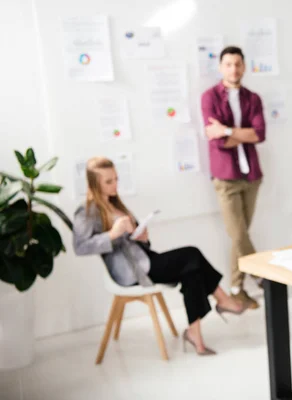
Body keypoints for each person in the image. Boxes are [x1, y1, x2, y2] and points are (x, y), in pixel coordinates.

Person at [73, 157, 246, 356]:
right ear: (94, 184)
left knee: (192, 272)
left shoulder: (116, 204)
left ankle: (194, 335)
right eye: (109, 181)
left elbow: (139, 244)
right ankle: (223, 301)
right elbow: (81, 247)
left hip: (146, 260)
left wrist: (142, 237)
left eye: (116, 179)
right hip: (133, 272)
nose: (115, 185)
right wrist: (113, 233)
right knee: (192, 254)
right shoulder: (87, 212)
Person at [201, 46, 266, 309]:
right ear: (220, 67)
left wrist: (228, 130)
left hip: (251, 175)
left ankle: (236, 288)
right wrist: (241, 132)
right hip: (226, 177)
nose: (234, 69)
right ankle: (262, 278)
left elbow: (258, 134)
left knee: (239, 235)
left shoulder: (253, 98)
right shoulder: (209, 97)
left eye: (238, 64)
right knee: (238, 234)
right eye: (228, 64)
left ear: (244, 66)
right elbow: (216, 140)